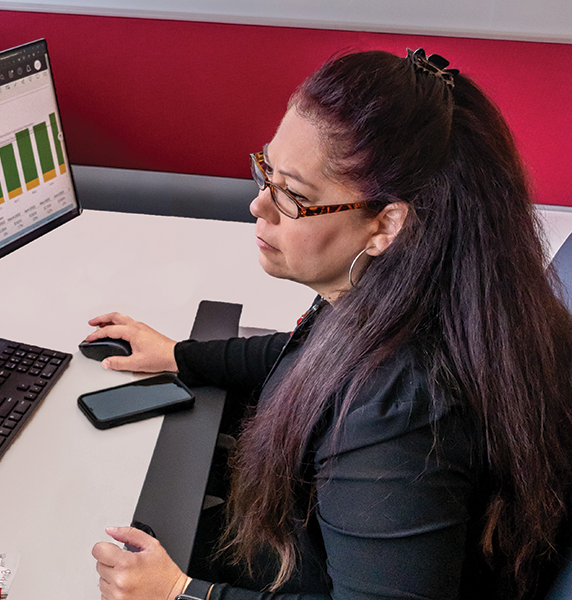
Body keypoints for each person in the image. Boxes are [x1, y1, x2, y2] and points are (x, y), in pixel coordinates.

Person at [87, 49, 572, 600]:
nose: (258, 206)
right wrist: (182, 355)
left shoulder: (397, 416)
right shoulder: (408, 290)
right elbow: (311, 355)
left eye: (293, 195)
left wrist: (182, 594)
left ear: (386, 223)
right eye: (267, 170)